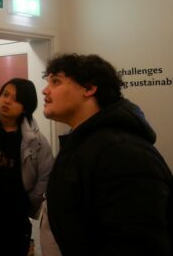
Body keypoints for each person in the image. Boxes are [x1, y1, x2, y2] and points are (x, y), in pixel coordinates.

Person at [42, 53, 173, 256]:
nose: (45, 90)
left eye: (56, 81)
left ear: (89, 88)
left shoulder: (122, 152)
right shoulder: (83, 143)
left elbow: (139, 243)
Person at [0, 78, 53, 256]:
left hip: (15, 218)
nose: (7, 101)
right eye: (5, 94)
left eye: (15, 99)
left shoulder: (37, 141)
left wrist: (29, 203)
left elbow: (44, 177)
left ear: (26, 106)